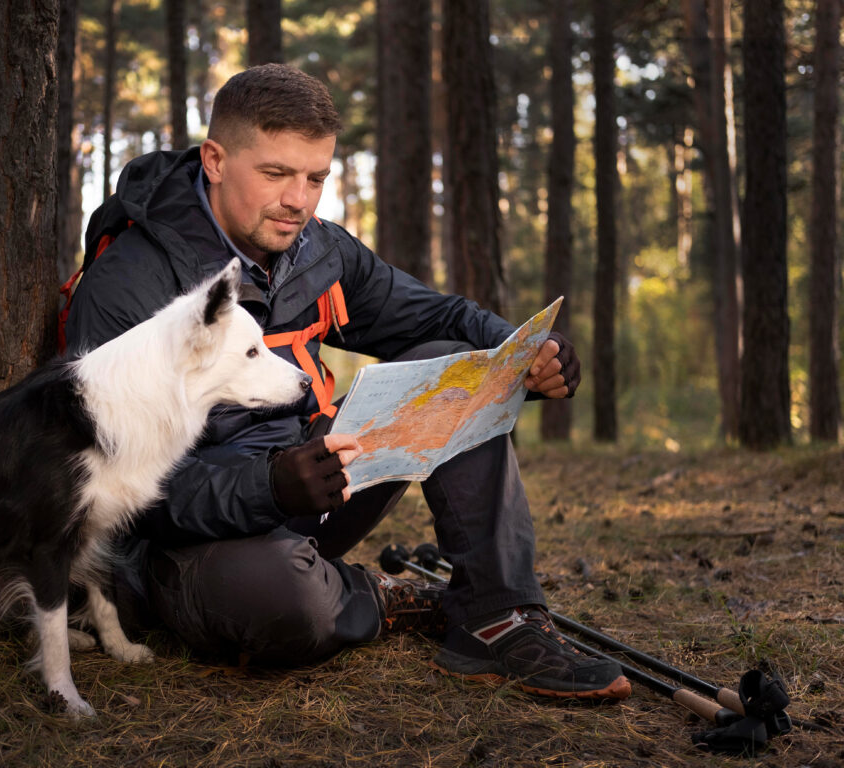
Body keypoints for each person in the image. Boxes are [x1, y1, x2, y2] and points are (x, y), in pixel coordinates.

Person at [66, 63, 630, 700]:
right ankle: (389, 597)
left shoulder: (317, 248)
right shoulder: (129, 286)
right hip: (190, 544)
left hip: (315, 483)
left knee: (452, 356)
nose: (299, 201)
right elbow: (123, 491)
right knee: (283, 598)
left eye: (316, 178)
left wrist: (527, 352)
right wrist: (269, 486)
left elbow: (440, 317)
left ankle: (496, 616)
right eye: (276, 174)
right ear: (216, 160)